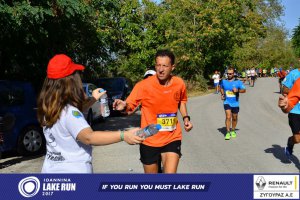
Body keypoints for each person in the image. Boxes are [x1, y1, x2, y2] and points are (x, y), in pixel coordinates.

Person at [37, 54, 143, 173]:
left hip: (51, 171)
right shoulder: (70, 112)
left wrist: (93, 99)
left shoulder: (50, 107)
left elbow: (68, 119)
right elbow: (88, 137)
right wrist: (124, 135)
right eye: (77, 75)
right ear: (70, 81)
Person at [113, 49, 193, 173]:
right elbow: (130, 106)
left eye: (165, 66)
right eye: (158, 65)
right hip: (149, 139)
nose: (160, 69)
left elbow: (181, 101)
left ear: (173, 67)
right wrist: (123, 106)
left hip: (172, 137)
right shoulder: (143, 85)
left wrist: (186, 118)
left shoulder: (179, 83)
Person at [279, 68, 300, 159]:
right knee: (297, 139)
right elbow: (284, 89)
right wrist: (295, 92)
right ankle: (290, 142)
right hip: (295, 110)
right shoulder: (294, 74)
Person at [220, 67, 246, 140]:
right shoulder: (224, 81)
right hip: (227, 102)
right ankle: (228, 132)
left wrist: (237, 90)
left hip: (235, 103)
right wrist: (222, 94)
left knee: (234, 118)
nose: (229, 75)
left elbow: (244, 90)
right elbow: (221, 88)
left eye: (230, 73)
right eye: (228, 73)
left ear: (233, 74)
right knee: (228, 117)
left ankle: (233, 130)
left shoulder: (238, 82)